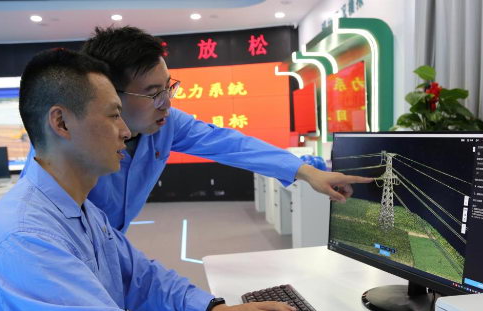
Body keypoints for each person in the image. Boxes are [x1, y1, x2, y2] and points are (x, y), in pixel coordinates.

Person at [0, 49, 380, 311]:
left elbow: (137, 276)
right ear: (61, 122)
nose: (125, 131)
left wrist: (214, 309)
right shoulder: (27, 239)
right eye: (114, 115)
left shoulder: (77, 208)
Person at [22, 26, 371, 232]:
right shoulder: (66, 153)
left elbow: (229, 143)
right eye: (152, 93)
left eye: (168, 88)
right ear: (109, 93)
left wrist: (306, 172)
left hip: (110, 252)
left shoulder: (166, 124)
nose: (166, 103)